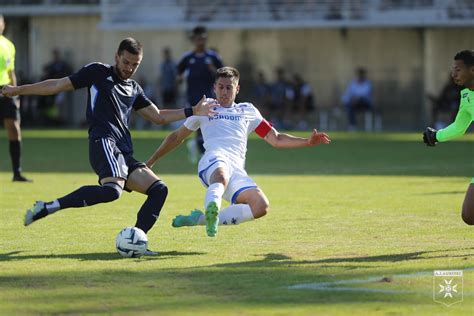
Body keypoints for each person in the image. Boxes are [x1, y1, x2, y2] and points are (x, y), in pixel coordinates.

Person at [1, 38, 217, 253]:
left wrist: (192, 110)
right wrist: (18, 89)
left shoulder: (134, 88)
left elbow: (158, 116)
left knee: (159, 189)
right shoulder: (97, 72)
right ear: (116, 57)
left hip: (123, 151)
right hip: (102, 141)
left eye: (135, 64)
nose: (130, 68)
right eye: (126, 62)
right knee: (113, 191)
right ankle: (48, 207)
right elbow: (57, 85)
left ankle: (135, 241)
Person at [146, 66, 331, 237]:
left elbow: (276, 139)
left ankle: (201, 219)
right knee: (221, 174)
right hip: (213, 161)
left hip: (237, 169)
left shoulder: (248, 111)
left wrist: (307, 142)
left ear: (237, 89)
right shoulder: (205, 108)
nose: (225, 92)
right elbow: (177, 137)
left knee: (260, 206)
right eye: (221, 87)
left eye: (229, 87)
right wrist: (151, 161)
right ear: (214, 88)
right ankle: (213, 207)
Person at [423, 49, 474, 226]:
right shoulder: (466, 95)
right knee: (469, 215)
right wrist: (436, 136)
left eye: (458, 69)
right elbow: (460, 127)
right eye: (453, 69)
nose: (453, 74)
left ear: (472, 70)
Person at [177, 25, 224, 163]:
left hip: (210, 98)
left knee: (210, 125)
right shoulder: (187, 58)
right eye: (198, 39)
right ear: (194, 40)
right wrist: (179, 79)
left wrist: (213, 70)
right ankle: (200, 149)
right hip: (192, 99)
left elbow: (223, 74)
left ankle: (205, 151)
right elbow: (178, 75)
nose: (201, 42)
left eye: (203, 39)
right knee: (196, 125)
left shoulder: (212, 57)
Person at [0, 14, 31, 182]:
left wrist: (16, 93)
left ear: (4, 24)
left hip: (5, 90)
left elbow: (11, 71)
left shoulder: (8, 46)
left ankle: (17, 172)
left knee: (14, 129)